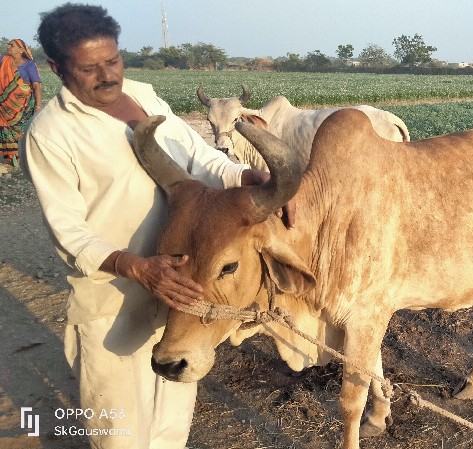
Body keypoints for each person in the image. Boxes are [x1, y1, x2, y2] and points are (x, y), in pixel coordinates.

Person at [21, 4, 292, 448]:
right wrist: (139, 268)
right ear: (55, 67)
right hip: (115, 301)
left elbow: (200, 159)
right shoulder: (51, 133)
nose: (107, 75)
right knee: (120, 433)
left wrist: (247, 177)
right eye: (89, 68)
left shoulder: (146, 97)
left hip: (181, 294)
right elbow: (67, 231)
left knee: (171, 425)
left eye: (113, 60)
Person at [1, 38, 42, 166]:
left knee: (19, 131)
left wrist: (38, 106)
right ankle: (9, 157)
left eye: (12, 45)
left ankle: (20, 156)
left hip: (22, 107)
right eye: (8, 45)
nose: (9, 47)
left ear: (21, 50)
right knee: (5, 129)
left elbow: (36, 86)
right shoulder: (4, 61)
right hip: (4, 105)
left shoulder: (29, 65)